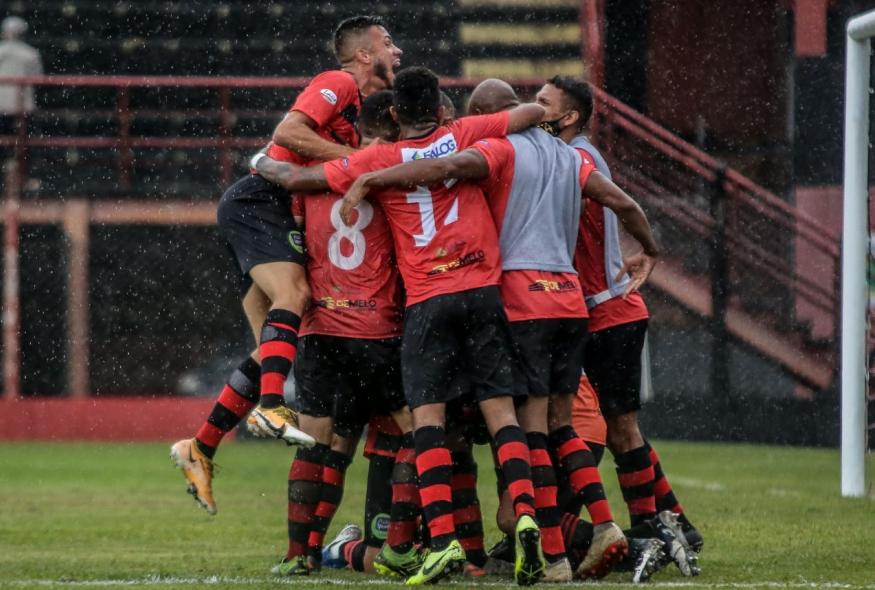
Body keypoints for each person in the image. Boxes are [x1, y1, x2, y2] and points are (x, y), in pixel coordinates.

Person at [338, 78, 660, 581]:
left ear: (487, 113)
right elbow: (624, 204)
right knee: (559, 424)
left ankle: (543, 550)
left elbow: (444, 167)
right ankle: (603, 525)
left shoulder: (497, 149)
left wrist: (371, 179)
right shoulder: (573, 157)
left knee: (504, 429)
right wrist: (650, 252)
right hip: (570, 302)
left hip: (515, 296)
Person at [252, 66, 548, 586]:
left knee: (420, 424)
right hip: (479, 293)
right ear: (440, 109)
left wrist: (262, 161)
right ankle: (525, 513)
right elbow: (529, 114)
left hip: (417, 304)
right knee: (500, 414)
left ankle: (439, 543)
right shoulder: (467, 134)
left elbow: (294, 179)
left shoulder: (374, 158)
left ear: (392, 114)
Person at [169, 15, 402, 515]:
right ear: (363, 54)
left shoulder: (362, 108)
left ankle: (201, 447)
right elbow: (288, 131)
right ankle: (272, 409)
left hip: (269, 205)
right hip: (262, 202)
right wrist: (351, 162)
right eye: (387, 43)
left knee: (271, 349)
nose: (396, 51)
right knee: (295, 296)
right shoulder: (338, 81)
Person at [535, 75, 702, 572]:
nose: (531, 108)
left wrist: (647, 250)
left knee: (617, 427)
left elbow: (621, 203)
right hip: (588, 310)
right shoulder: (563, 156)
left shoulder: (577, 157)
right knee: (607, 426)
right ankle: (677, 524)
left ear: (567, 118)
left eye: (542, 102)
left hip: (607, 311)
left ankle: (646, 533)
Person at [0, 16, 42, 171]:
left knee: (6, 144)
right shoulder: (31, 54)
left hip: (2, 107)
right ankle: (24, 176)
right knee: (23, 144)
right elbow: (38, 79)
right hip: (23, 107)